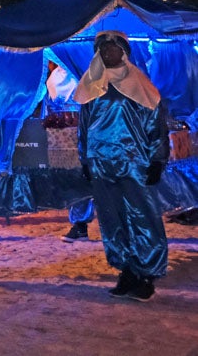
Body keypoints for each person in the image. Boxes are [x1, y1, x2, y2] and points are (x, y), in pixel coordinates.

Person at [75, 30, 170, 301]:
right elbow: (84, 129)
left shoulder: (140, 84)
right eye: (102, 50)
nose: (107, 53)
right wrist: (85, 160)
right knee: (112, 218)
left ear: (124, 51)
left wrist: (157, 159)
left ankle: (147, 274)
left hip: (134, 163)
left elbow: (156, 127)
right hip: (101, 164)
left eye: (112, 48)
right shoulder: (92, 84)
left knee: (143, 217)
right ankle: (127, 270)